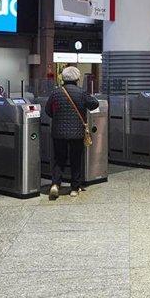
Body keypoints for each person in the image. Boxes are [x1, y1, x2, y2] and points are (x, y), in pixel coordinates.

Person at [44, 66, 99, 200]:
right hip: (77, 133)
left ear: (63, 78)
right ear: (77, 78)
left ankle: (55, 184)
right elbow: (95, 104)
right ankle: (74, 188)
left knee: (59, 159)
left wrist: (58, 118)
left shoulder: (56, 93)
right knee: (76, 159)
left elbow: (48, 110)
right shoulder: (81, 92)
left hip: (58, 132)